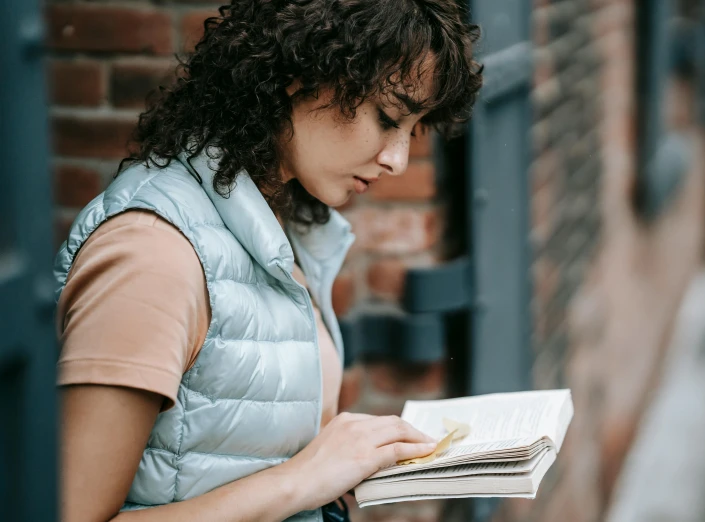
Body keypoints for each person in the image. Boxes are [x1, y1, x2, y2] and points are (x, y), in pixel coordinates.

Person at [54, 0, 482, 520]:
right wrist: (305, 478)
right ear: (300, 77)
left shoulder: (282, 221)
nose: (396, 159)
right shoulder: (153, 253)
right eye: (387, 117)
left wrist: (345, 468)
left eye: (411, 130)